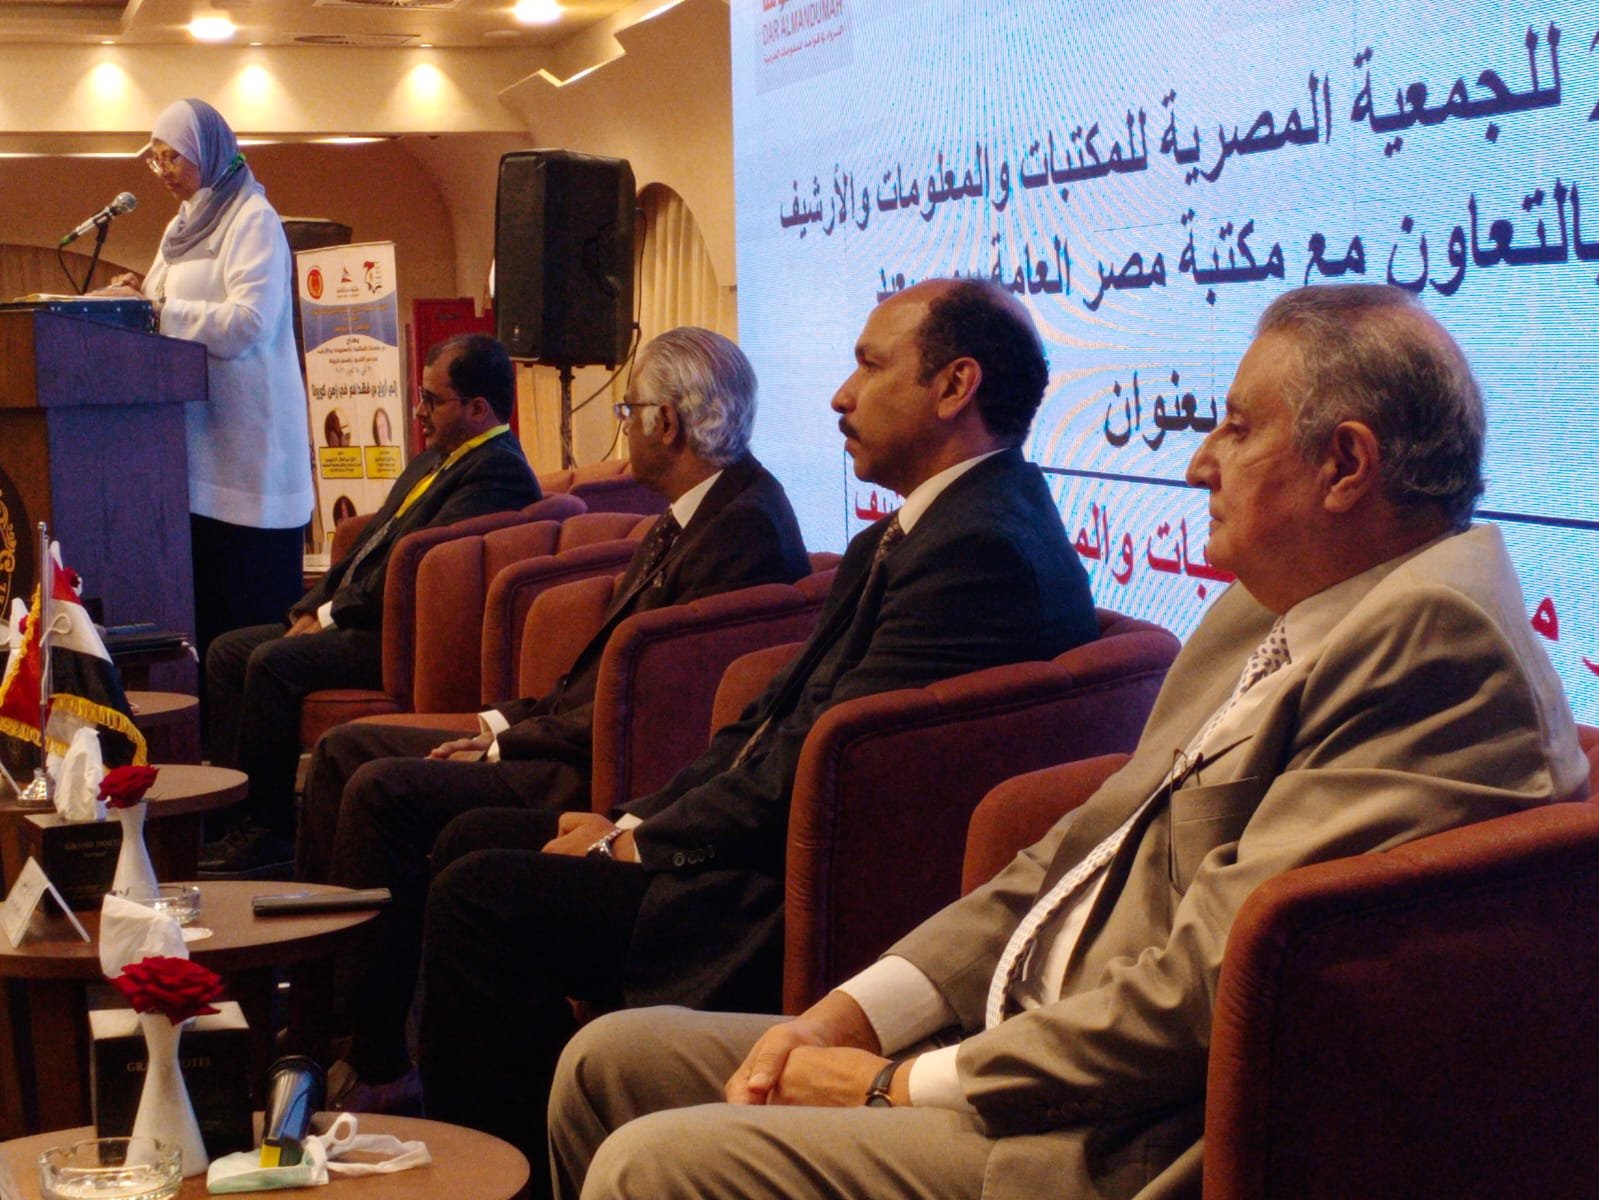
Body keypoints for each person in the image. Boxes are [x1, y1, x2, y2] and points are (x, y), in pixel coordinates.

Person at [547, 283, 1590, 1200]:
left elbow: (1210, 988)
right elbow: (1077, 851)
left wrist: (894, 1084)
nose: (1199, 461)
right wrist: (858, 1015)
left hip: (1105, 1139)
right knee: (610, 1064)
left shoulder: (1437, 646)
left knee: (653, 1163)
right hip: (1014, 1045)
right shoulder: (1271, 606)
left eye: (1234, 428)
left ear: (1346, 464)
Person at [414, 278, 1099, 1185]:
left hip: (782, 891)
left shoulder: (980, 551)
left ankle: (500, 1179)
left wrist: (637, 845)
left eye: (868, 366)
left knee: (481, 895)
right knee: (477, 837)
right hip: (754, 844)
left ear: (953, 386)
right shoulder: (918, 532)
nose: (840, 396)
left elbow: (821, 765)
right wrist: (630, 818)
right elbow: (770, 720)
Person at [294, 327, 811, 1105]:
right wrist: (500, 726)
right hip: (573, 737)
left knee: (384, 792)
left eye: (628, 411)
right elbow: (600, 677)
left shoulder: (741, 528)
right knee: (351, 756)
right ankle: (326, 1027)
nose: (625, 427)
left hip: (606, 764)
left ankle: (371, 1056)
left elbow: (652, 702)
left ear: (666, 423)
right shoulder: (696, 511)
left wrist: (506, 748)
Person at [201, 333, 540, 876]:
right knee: (226, 651)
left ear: (478, 409)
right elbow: (369, 546)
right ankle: (227, 817)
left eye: (432, 400)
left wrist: (330, 616)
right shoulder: (434, 460)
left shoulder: (498, 472)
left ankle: (269, 832)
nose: (419, 412)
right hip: (360, 617)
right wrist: (309, 607)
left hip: (400, 635)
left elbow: (414, 568)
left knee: (272, 662)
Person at [97, 99, 314, 665]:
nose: (163, 170)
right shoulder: (182, 224)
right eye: (155, 159)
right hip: (193, 452)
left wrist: (160, 309)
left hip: (247, 453)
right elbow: (164, 301)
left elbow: (249, 323)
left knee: (243, 624)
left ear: (209, 151)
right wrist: (138, 294)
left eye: (174, 157)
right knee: (207, 627)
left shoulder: (251, 219)